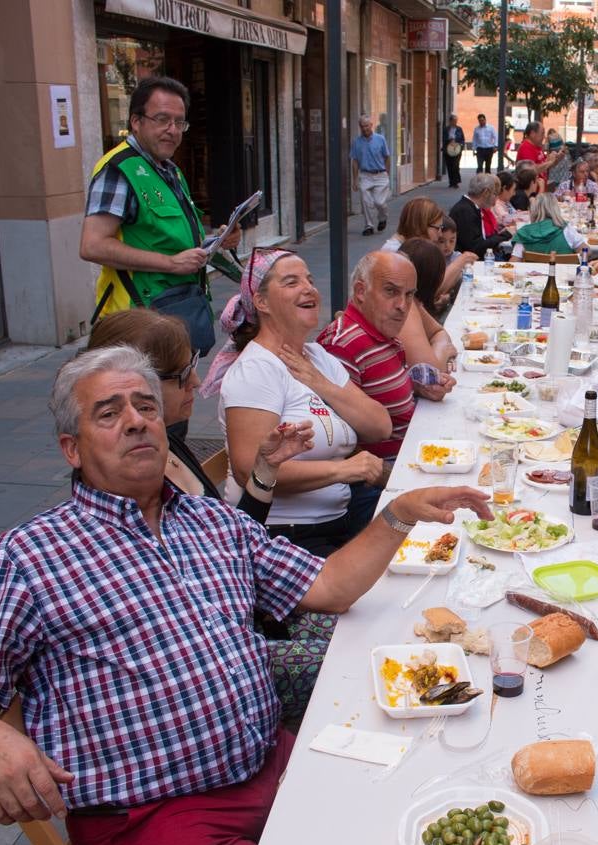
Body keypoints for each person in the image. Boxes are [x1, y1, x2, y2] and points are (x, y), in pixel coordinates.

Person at [0, 344, 491, 845]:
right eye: (109, 413)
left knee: (429, 805)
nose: (135, 420)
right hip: (155, 815)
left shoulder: (211, 520)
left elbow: (330, 587)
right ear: (72, 448)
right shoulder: (27, 556)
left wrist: (401, 513)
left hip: (272, 760)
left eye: (146, 406)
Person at [86, 310, 329, 721]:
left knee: (365, 625)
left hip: (251, 611)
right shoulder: (129, 485)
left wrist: (266, 470)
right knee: (352, 658)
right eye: (183, 375)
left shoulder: (171, 446)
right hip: (222, 657)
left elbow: (230, 538)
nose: (197, 384)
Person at [209, 249, 394, 557]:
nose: (309, 288)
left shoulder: (317, 357)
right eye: (291, 282)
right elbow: (247, 471)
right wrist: (342, 471)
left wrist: (319, 382)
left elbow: (379, 426)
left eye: (309, 279)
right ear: (262, 302)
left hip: (338, 521)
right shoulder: (257, 369)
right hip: (284, 537)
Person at [81, 76, 235, 356]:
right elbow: (93, 245)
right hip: (136, 319)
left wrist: (217, 240)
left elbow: (168, 237)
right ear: (136, 121)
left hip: (172, 311)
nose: (172, 130)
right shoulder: (120, 170)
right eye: (162, 119)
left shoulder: (168, 169)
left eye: (179, 122)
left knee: (176, 394)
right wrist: (170, 263)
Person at [318, 250, 455, 462]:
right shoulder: (342, 346)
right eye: (391, 291)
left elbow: (378, 391)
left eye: (409, 295)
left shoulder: (383, 331)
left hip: (417, 454)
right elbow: (335, 439)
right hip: (388, 476)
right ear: (361, 291)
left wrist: (418, 387)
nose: (402, 306)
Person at [382, 197, 476, 303]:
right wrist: (461, 261)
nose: (440, 233)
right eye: (438, 228)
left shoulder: (411, 247)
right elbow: (433, 290)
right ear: (421, 225)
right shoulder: (397, 253)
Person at [349, 114, 393, 237]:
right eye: (362, 126)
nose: (365, 129)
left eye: (367, 126)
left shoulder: (380, 139)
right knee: (365, 200)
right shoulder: (356, 142)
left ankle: (382, 218)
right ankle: (369, 225)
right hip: (365, 175)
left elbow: (387, 157)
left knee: (379, 203)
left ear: (371, 125)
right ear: (360, 127)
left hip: (380, 174)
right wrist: (354, 180)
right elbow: (355, 161)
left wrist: (387, 174)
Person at [448, 174, 511, 258]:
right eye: (495, 194)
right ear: (486, 193)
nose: (495, 199)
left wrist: (500, 235)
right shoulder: (465, 211)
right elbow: (475, 248)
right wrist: (506, 235)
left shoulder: (471, 208)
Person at [510, 194, 588, 261]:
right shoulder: (566, 229)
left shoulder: (524, 233)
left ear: (533, 209)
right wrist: (575, 259)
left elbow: (514, 262)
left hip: (532, 277)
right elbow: (586, 251)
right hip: (562, 276)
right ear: (555, 209)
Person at [442, 114, 465, 188]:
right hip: (448, 150)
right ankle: (451, 182)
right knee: (449, 166)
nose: (455, 122)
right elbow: (443, 139)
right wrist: (449, 140)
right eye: (454, 121)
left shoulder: (459, 129)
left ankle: (456, 182)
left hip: (457, 149)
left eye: (456, 121)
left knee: (455, 165)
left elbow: (462, 139)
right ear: (450, 121)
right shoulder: (446, 129)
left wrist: (460, 144)